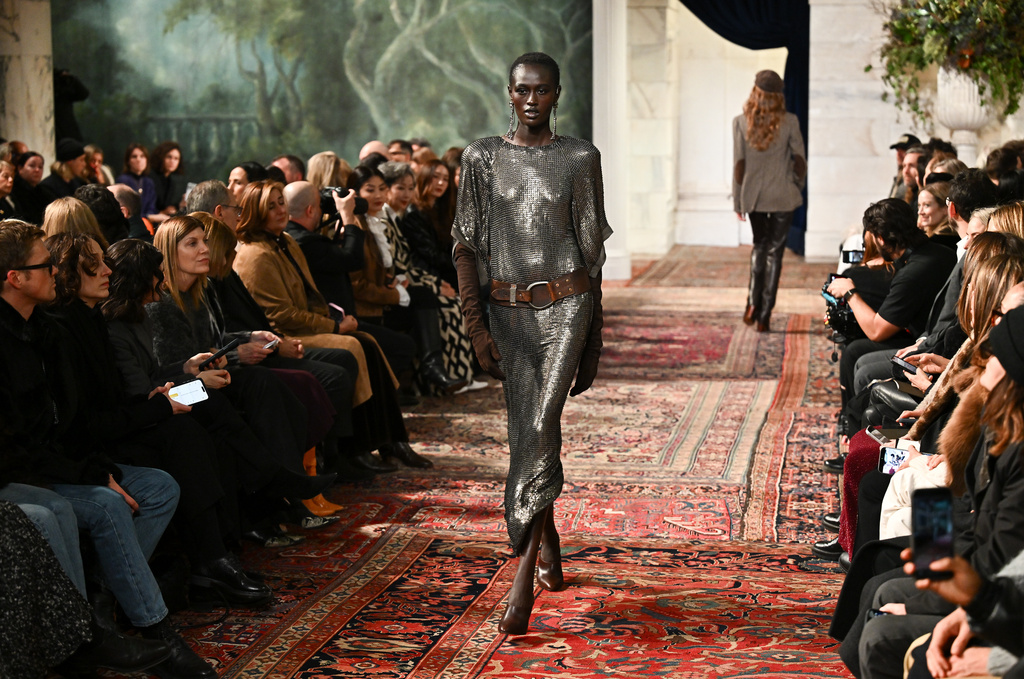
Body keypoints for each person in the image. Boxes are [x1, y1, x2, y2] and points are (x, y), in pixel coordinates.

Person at [0, 219, 215, 678]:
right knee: (106, 498)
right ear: (16, 277)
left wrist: (164, 397)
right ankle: (117, 631)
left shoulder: (56, 326)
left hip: (65, 457)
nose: (108, 274)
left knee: (162, 479)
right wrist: (96, 471)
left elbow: (77, 418)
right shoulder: (54, 330)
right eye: (48, 266)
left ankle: (99, 605)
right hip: (37, 468)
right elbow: (40, 435)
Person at [452, 52, 611, 635]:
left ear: (558, 94)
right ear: (507, 92)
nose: (531, 99)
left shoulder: (579, 158)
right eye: (522, 89)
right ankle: (549, 543)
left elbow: (593, 254)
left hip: (566, 307)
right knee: (527, 434)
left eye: (542, 90)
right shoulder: (481, 158)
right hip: (506, 314)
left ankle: (521, 581)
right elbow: (465, 247)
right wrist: (475, 327)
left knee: (541, 427)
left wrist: (593, 341)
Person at [232, 181, 420, 471]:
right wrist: (333, 328)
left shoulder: (285, 241)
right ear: (255, 213)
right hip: (285, 335)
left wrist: (333, 322)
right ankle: (350, 450)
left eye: (281, 202)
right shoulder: (255, 254)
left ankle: (389, 439)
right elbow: (280, 316)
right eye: (271, 206)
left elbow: (311, 298)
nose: (281, 210)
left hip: (306, 326)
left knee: (366, 342)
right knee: (352, 346)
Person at [732, 69, 806, 332]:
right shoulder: (790, 121)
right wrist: (795, 186)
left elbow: (739, 165)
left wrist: (739, 201)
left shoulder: (740, 122)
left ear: (755, 92)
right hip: (783, 196)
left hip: (754, 196)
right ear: (778, 95)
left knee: (759, 247)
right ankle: (764, 315)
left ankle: (752, 301)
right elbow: (799, 161)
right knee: (775, 253)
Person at [115, 143, 157, 222]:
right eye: (134, 156)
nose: (138, 159)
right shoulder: (122, 181)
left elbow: (152, 208)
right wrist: (149, 217)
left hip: (148, 224)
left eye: (142, 156)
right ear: (128, 161)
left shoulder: (149, 182)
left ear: (147, 160)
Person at [149, 141, 187, 223]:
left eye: (176, 159)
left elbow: (167, 207)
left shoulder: (170, 181)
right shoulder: (150, 177)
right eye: (169, 157)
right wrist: (162, 212)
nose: (172, 161)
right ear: (161, 157)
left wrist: (180, 205)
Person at [11, 151, 48, 225]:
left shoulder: (42, 190)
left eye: (40, 167)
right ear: (20, 168)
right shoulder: (13, 190)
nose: (37, 170)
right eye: (32, 166)